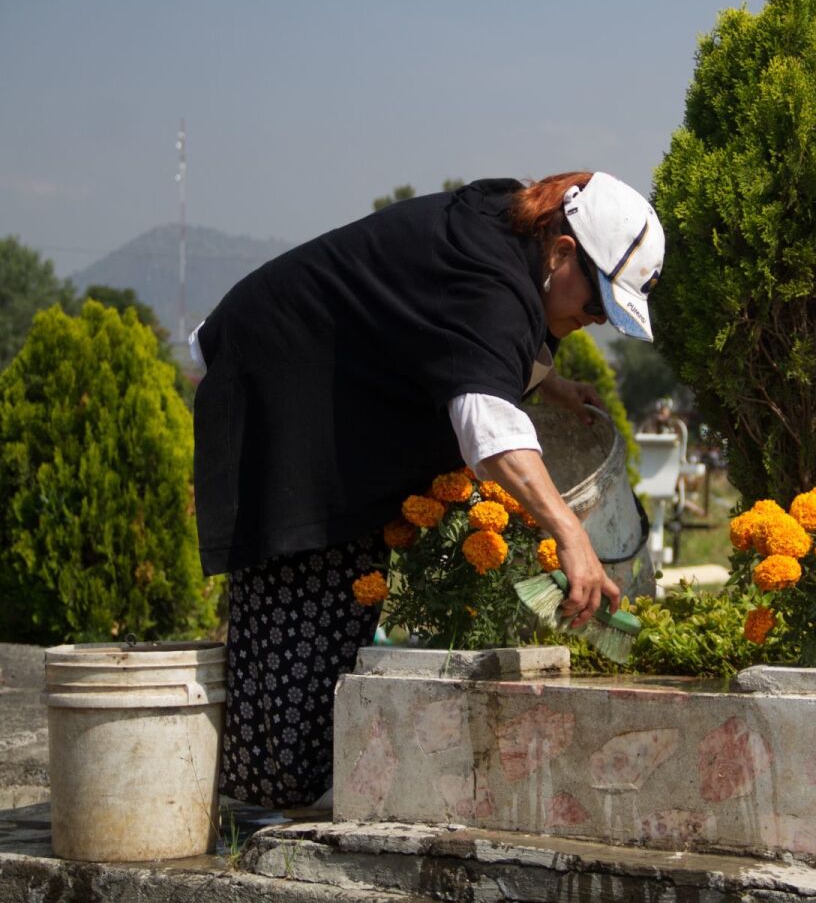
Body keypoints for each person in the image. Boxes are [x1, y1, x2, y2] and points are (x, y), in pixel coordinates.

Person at [189, 171, 663, 810]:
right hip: (283, 389)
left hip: (319, 395)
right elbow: (485, 421)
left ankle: (278, 788)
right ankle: (268, 807)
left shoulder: (513, 230)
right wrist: (570, 533)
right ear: (564, 251)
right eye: (599, 302)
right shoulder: (493, 278)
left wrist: (548, 383)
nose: (597, 320)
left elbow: (461, 333)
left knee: (337, 605)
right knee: (306, 591)